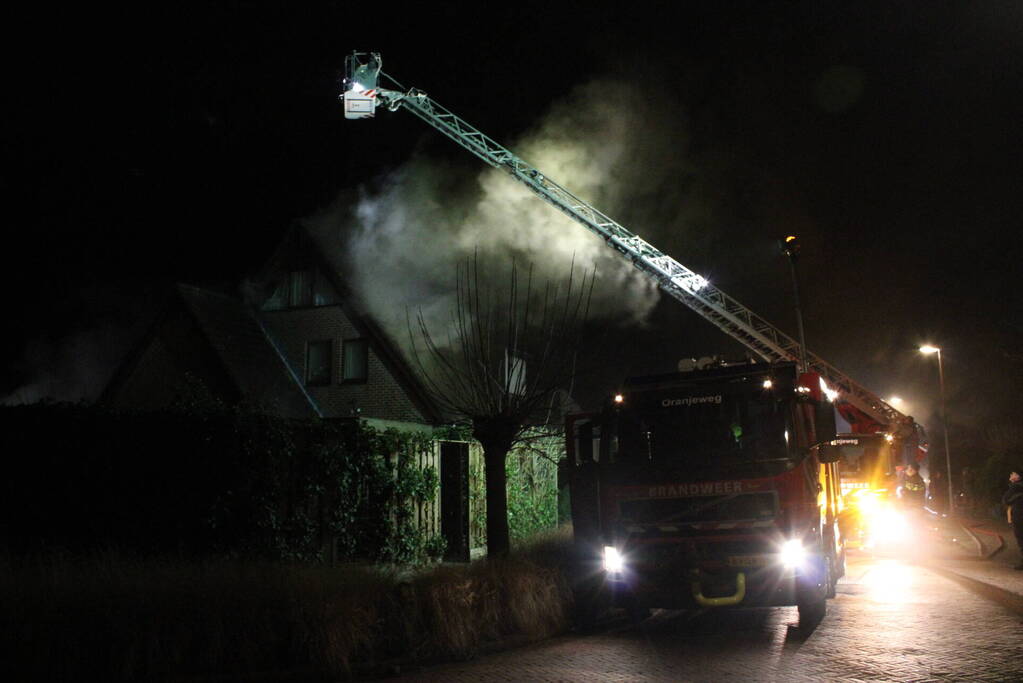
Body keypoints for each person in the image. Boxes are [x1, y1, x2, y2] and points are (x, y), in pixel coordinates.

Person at [1001, 469, 1023, 570]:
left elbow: (1006, 499)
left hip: (1019, 516)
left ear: (1018, 477)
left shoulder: (1016, 487)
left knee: (1021, 539)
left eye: (1013, 473)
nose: (1011, 474)